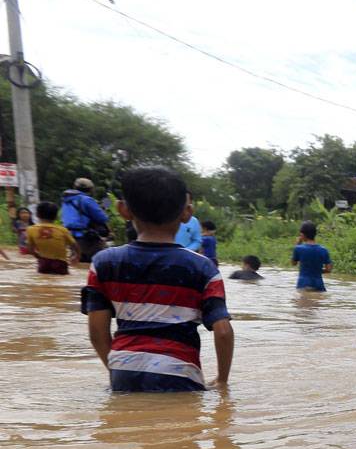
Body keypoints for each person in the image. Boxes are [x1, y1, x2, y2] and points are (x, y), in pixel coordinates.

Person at [81, 166, 234, 392]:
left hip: (124, 371)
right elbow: (222, 331)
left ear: (123, 209)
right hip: (181, 372)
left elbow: (96, 332)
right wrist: (222, 380)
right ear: (186, 213)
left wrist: (117, 369)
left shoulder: (104, 262)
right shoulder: (202, 267)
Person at [60, 178, 112, 264]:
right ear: (91, 189)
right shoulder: (86, 200)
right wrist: (105, 205)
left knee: (77, 263)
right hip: (87, 238)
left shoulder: (66, 200)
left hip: (71, 238)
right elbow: (102, 218)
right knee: (100, 262)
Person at [25, 201, 79, 274]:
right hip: (60, 263)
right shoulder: (62, 230)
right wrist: (77, 256)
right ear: (56, 216)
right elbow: (75, 245)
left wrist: (38, 257)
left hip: (43, 262)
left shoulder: (31, 229)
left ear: (37, 214)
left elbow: (30, 249)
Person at [292, 221, 332, 291]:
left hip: (303, 284)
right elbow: (328, 269)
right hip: (319, 285)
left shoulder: (298, 248)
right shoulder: (324, 250)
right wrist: (316, 271)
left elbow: (293, 263)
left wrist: (297, 243)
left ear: (302, 234)